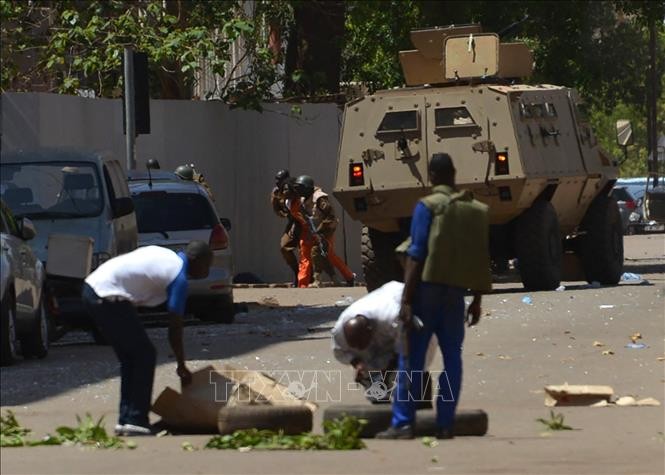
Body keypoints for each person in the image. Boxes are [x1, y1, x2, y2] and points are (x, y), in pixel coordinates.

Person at [376, 153, 492, 440]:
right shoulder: (475, 209)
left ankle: (403, 423)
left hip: (426, 292)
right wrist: (477, 300)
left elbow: (416, 254)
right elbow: (480, 258)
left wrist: (406, 299)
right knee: (453, 358)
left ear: (431, 176)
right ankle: (445, 424)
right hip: (456, 295)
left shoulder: (427, 206)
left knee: (412, 359)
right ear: (454, 173)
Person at [81, 241, 213, 436]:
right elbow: (175, 326)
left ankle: (126, 419)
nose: (208, 270)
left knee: (131, 357)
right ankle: (136, 420)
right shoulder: (178, 277)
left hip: (93, 289)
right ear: (197, 261)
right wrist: (181, 364)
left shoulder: (167, 258)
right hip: (107, 294)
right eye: (207, 265)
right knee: (145, 355)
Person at [332, 280, 437, 403]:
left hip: (412, 310)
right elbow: (340, 352)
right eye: (356, 346)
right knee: (372, 377)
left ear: (371, 331)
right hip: (384, 317)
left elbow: (403, 351)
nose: (360, 349)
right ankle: (380, 407)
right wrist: (358, 363)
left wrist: (385, 374)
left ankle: (421, 405)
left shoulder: (393, 317)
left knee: (414, 369)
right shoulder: (339, 331)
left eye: (363, 344)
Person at [291, 175, 354, 288]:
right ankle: (339, 278)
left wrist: (319, 230)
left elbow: (330, 216)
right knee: (324, 254)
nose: (298, 191)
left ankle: (318, 280)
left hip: (327, 227)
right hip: (315, 228)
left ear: (307, 188)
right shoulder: (303, 199)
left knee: (317, 251)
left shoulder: (320, 198)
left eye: (300, 188)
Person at [270, 169, 301, 287]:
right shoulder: (277, 192)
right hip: (293, 221)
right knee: (284, 247)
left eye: (280, 180)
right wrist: (286, 214)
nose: (278, 183)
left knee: (306, 250)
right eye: (277, 180)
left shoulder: (294, 186)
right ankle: (297, 273)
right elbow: (277, 209)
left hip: (304, 220)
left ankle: (309, 277)